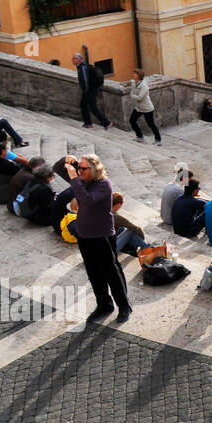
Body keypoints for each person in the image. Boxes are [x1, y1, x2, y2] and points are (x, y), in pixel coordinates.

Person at [65, 154, 129, 323]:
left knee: (111, 272)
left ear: (94, 170)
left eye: (83, 168)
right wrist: (67, 159)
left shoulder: (103, 184)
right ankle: (104, 305)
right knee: (93, 273)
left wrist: (75, 179)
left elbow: (86, 200)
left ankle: (124, 306)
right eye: (79, 167)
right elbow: (59, 168)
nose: (79, 171)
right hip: (84, 235)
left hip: (101, 235)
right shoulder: (82, 180)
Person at [72, 53, 111, 130]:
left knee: (93, 107)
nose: (72, 60)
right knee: (83, 105)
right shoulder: (81, 66)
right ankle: (88, 123)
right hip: (90, 89)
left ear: (79, 59)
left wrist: (86, 91)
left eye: (74, 59)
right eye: (72, 59)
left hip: (91, 90)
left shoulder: (83, 67)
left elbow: (85, 79)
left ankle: (106, 123)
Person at [111, 192, 151, 257]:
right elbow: (136, 228)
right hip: (110, 250)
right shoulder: (116, 217)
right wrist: (142, 240)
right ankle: (147, 250)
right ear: (118, 204)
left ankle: (141, 245)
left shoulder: (103, 211)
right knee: (131, 232)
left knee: (122, 228)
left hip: (100, 244)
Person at [127, 69, 161, 145]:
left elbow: (139, 97)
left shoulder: (144, 86)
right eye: (133, 73)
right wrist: (133, 95)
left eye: (135, 74)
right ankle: (140, 137)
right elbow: (132, 93)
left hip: (147, 108)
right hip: (138, 107)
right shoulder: (133, 82)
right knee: (132, 120)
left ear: (139, 76)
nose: (133, 75)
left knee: (151, 124)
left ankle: (158, 140)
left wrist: (133, 96)